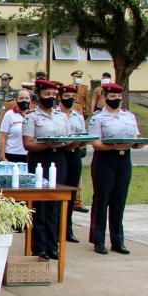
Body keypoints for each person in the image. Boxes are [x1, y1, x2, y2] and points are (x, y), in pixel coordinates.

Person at [88, 83, 144, 255]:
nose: (116, 100)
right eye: (112, 97)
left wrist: (138, 143)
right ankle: (98, 240)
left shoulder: (129, 116)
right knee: (102, 200)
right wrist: (113, 146)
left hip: (124, 159)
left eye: (119, 97)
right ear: (104, 97)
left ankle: (118, 241)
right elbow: (96, 143)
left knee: (119, 200)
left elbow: (135, 138)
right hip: (105, 159)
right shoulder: (97, 118)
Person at [22, 79, 72, 260]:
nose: (51, 98)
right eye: (47, 95)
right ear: (39, 95)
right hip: (40, 159)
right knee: (40, 204)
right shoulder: (31, 117)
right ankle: (39, 246)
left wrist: (71, 142)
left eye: (53, 95)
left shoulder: (61, 117)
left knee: (55, 203)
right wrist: (46, 144)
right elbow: (27, 144)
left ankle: (53, 245)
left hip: (59, 157)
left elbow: (67, 139)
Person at [58, 85, 87, 243]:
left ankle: (67, 228)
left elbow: (83, 135)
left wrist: (79, 144)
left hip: (74, 154)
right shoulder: (55, 115)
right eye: (67, 95)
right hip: (59, 154)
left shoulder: (78, 116)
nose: (70, 99)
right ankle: (55, 228)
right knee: (57, 192)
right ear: (60, 97)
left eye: (72, 96)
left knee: (71, 194)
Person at [0, 90, 32, 162]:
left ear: (30, 100)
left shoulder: (33, 115)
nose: (24, 100)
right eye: (21, 98)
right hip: (11, 155)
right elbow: (2, 136)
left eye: (26, 98)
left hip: (29, 155)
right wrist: (2, 157)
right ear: (16, 100)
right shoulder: (9, 114)